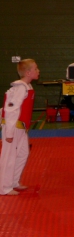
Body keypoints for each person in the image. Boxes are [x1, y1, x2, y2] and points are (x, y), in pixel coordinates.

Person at [0, 59, 40, 195]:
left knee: (23, 153)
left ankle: (13, 182)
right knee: (9, 156)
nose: (38, 71)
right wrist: (9, 133)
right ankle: (4, 187)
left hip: (21, 127)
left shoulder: (27, 87)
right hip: (13, 126)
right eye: (36, 69)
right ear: (28, 72)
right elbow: (11, 110)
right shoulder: (20, 87)